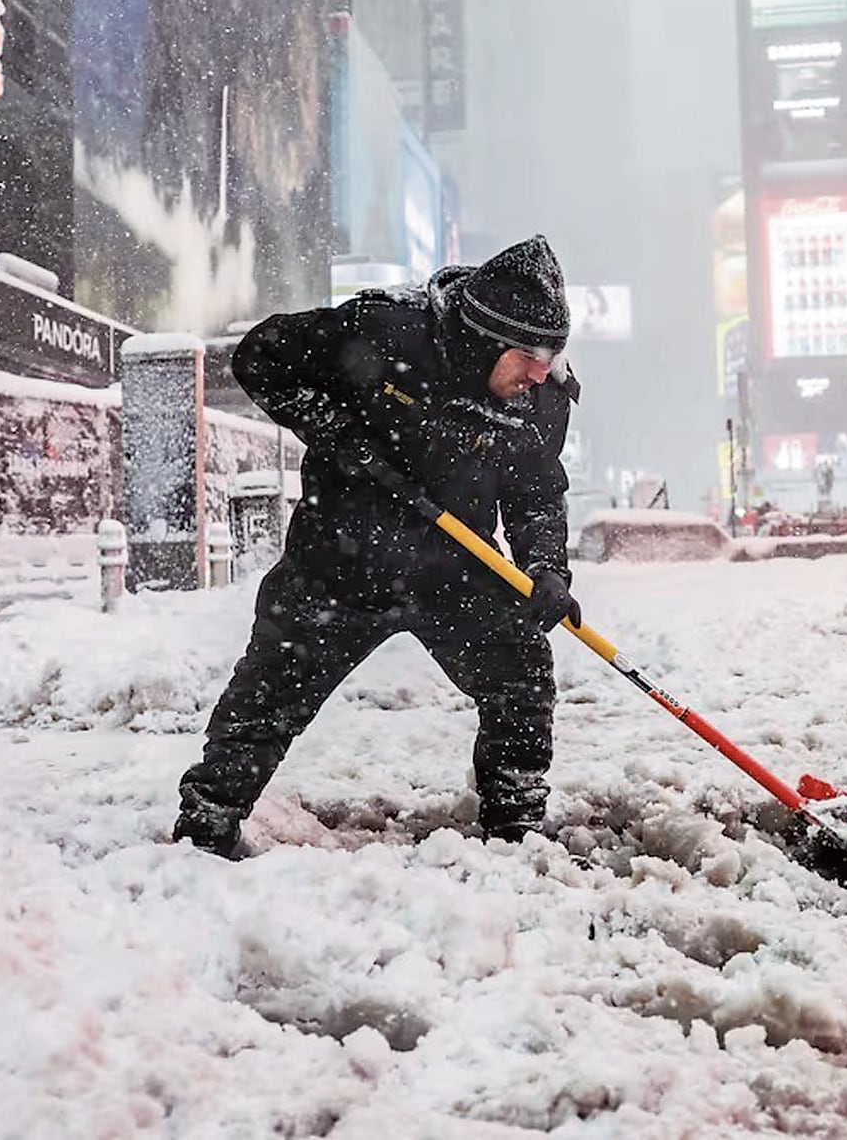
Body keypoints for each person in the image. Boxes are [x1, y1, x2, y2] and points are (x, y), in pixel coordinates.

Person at [173, 236, 581, 859]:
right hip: (339, 563)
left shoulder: (542, 397)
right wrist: (335, 432)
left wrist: (545, 567)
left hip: (457, 568)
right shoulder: (387, 331)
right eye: (528, 354)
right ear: (484, 340)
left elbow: (535, 494)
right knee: (270, 694)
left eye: (552, 354)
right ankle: (208, 820)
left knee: (521, 673)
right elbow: (260, 358)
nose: (540, 371)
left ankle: (515, 826)